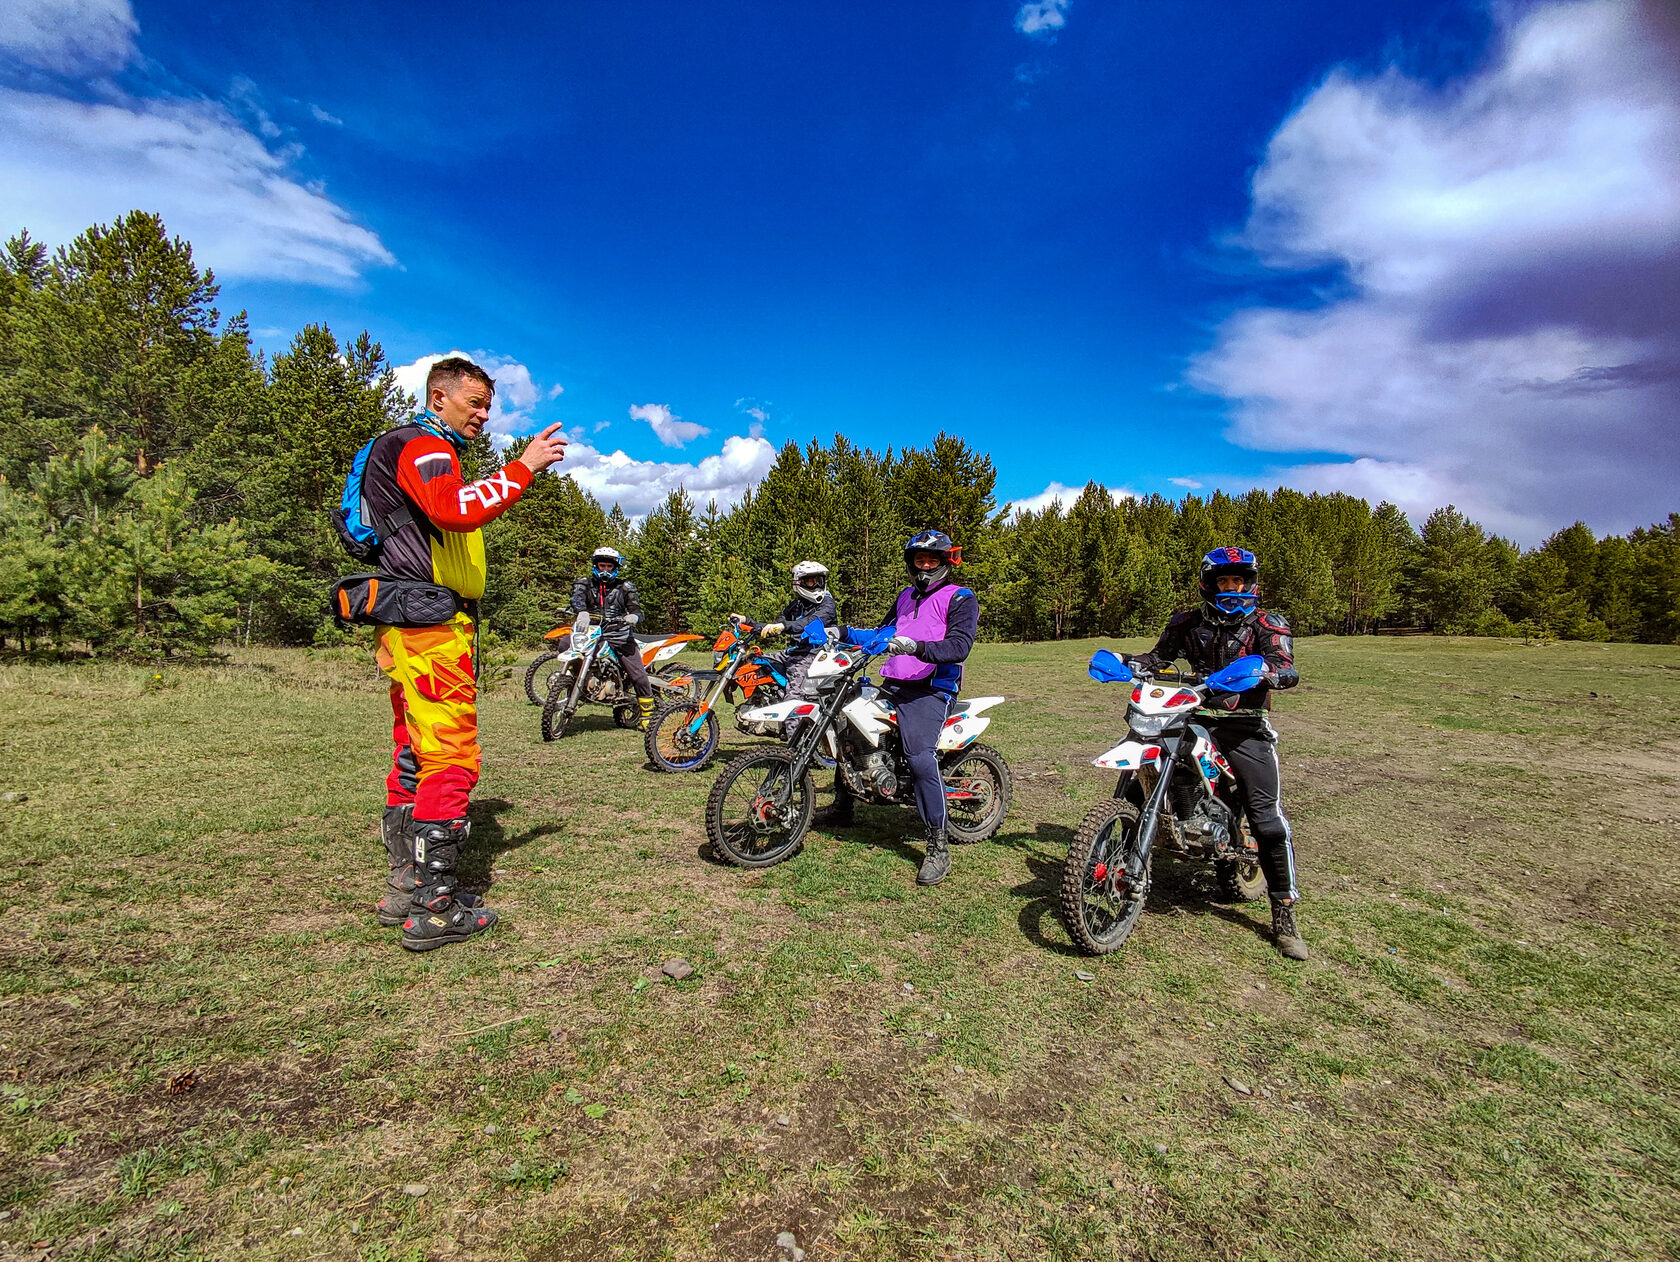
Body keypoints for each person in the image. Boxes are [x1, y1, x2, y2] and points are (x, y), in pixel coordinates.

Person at [366, 356, 570, 951]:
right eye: (474, 402)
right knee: (452, 754)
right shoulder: (425, 447)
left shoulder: (411, 446)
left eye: (488, 406)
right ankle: (435, 905)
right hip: (430, 623)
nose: (483, 415)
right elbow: (456, 509)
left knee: (414, 748)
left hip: (406, 620)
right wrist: (525, 468)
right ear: (438, 397)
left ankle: (406, 882)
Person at [1127, 546, 1308, 960]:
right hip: (1193, 715)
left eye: (1239, 580)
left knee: (1266, 819)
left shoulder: (1267, 623)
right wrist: (1126, 662)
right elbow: (1158, 658)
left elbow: (1286, 667)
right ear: (1210, 584)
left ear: (1251, 582)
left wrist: (1269, 672)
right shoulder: (1187, 621)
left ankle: (1284, 909)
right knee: (1149, 756)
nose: (1233, 587)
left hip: (1245, 726)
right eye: (1225, 581)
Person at [826, 531, 977, 887]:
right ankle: (843, 806)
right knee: (849, 725)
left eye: (932, 560)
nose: (924, 567)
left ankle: (938, 845)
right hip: (895, 682)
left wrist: (917, 646)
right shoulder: (905, 596)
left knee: (920, 755)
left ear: (945, 562)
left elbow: (959, 645)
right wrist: (842, 631)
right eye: (919, 560)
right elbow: (883, 632)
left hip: (931, 688)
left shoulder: (961, 597)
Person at [569, 546, 655, 729]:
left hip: (619, 634)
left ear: (615, 567)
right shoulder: (584, 583)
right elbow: (576, 598)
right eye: (602, 566)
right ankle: (568, 684)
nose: (605, 570)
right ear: (595, 565)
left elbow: (637, 609)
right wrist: (581, 611)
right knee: (563, 644)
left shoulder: (625, 587)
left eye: (609, 566)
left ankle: (648, 716)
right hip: (590, 633)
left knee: (638, 674)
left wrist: (634, 617)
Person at [758, 561, 839, 727]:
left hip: (813, 655)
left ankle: (796, 747)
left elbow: (808, 623)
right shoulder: (797, 604)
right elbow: (778, 622)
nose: (816, 584)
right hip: (793, 652)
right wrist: (748, 623)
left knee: (793, 700)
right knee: (756, 662)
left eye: (818, 580)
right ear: (798, 582)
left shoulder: (827, 604)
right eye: (811, 581)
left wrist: (783, 626)